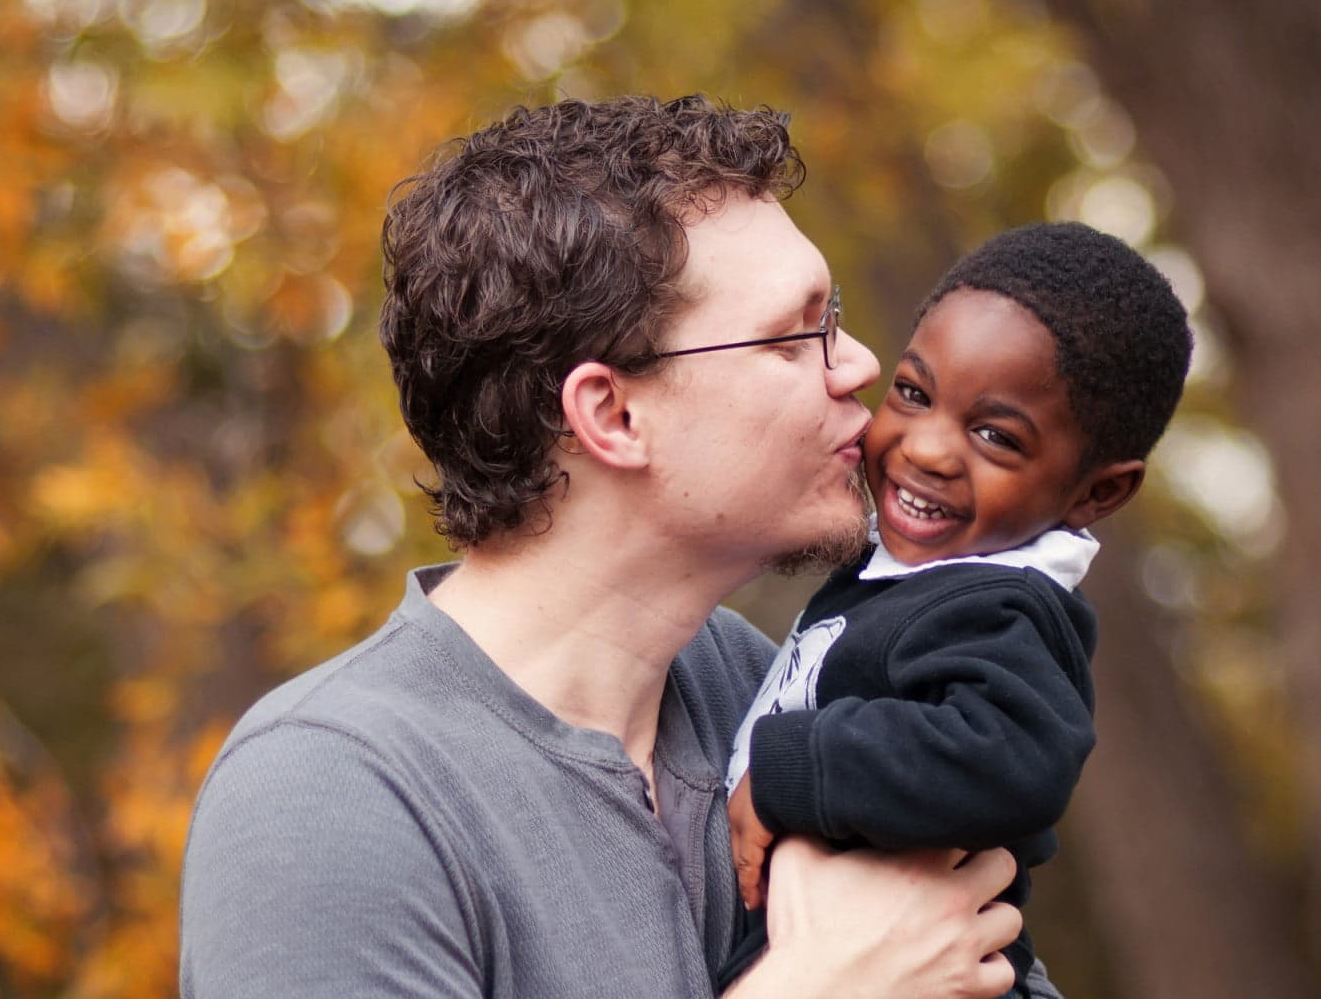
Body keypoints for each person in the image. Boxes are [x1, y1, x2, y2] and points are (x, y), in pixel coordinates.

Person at [178, 95, 1063, 998]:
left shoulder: (769, 697)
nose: (860, 365)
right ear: (612, 413)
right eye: (799, 335)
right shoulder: (328, 795)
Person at [718, 222, 1193, 995]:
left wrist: (794, 766)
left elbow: (1012, 755)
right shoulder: (902, 574)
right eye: (913, 393)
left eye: (995, 436)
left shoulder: (1000, 605)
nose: (928, 448)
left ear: (1096, 492)